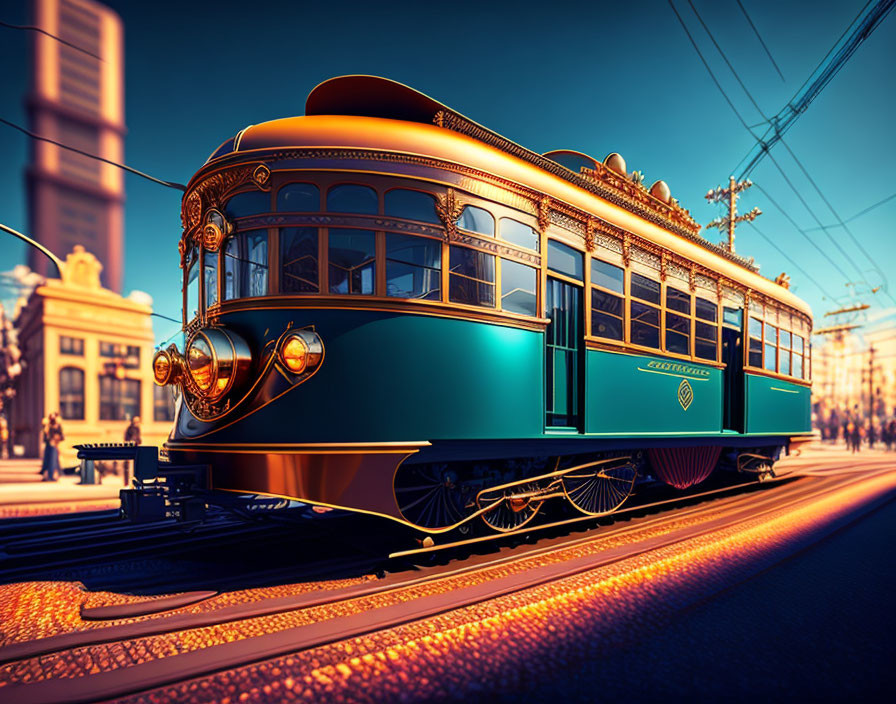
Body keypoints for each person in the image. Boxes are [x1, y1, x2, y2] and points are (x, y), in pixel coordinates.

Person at [40, 412, 64, 481]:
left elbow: (61, 436)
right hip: (49, 445)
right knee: (48, 460)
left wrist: (56, 439)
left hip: (54, 446)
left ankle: (52, 475)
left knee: (53, 461)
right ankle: (47, 475)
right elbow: (46, 436)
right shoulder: (48, 426)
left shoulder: (58, 426)